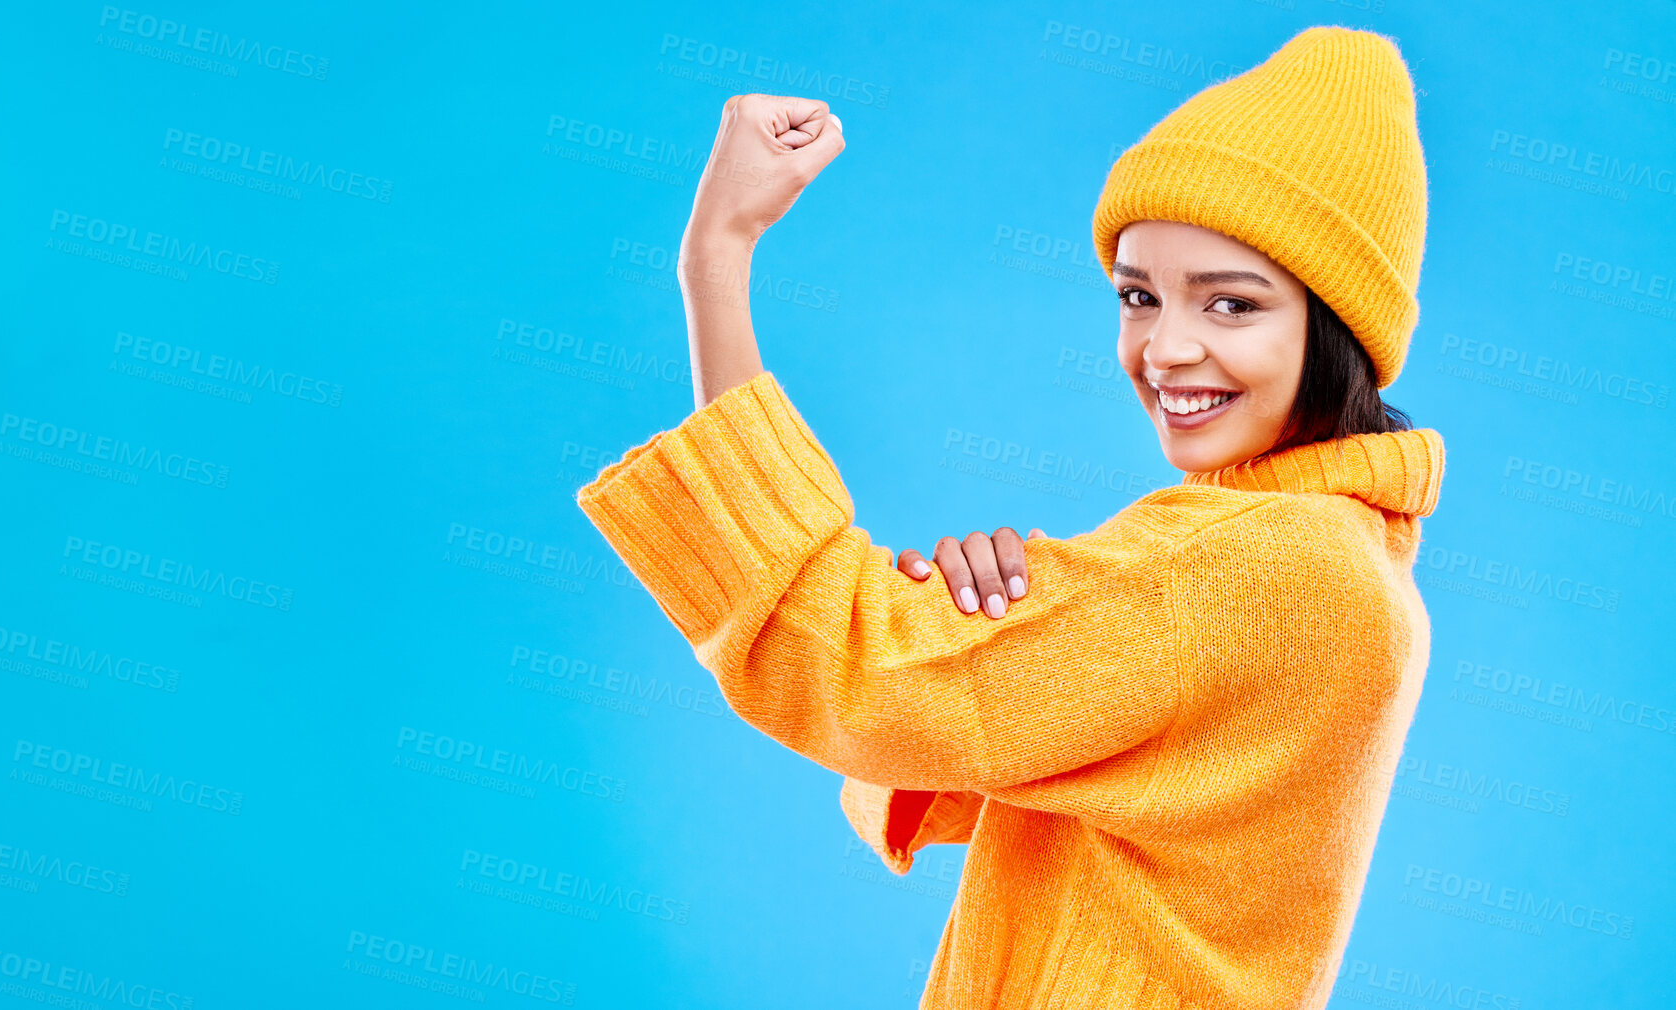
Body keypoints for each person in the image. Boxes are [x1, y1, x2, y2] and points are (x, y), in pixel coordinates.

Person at [575, 25, 1442, 1008]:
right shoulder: (1357, 562)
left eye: (1232, 305)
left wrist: (715, 259)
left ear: (1335, 323)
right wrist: (986, 638)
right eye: (1138, 295)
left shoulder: (1252, 561)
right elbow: (960, 753)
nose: (1165, 348)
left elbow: (848, 661)